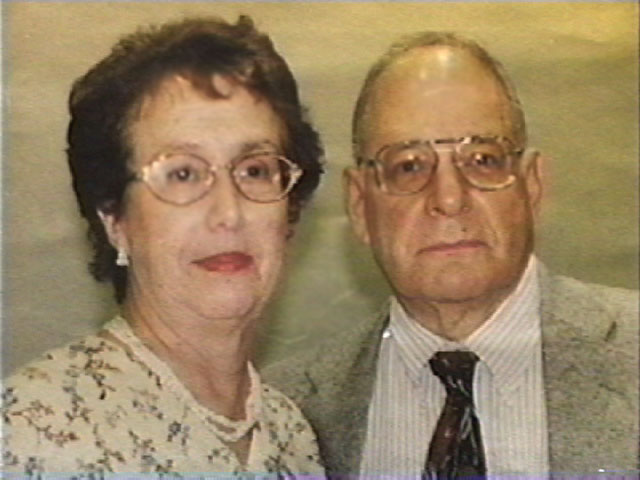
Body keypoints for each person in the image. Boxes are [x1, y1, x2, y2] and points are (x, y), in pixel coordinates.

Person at [265, 32, 639, 478]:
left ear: (533, 187)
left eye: (482, 159)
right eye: (408, 166)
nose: (448, 198)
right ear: (360, 206)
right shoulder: (282, 415)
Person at [2, 16, 326, 477]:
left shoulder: (292, 436)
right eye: (183, 173)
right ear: (115, 219)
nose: (228, 213)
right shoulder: (32, 433)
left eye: (254, 170)